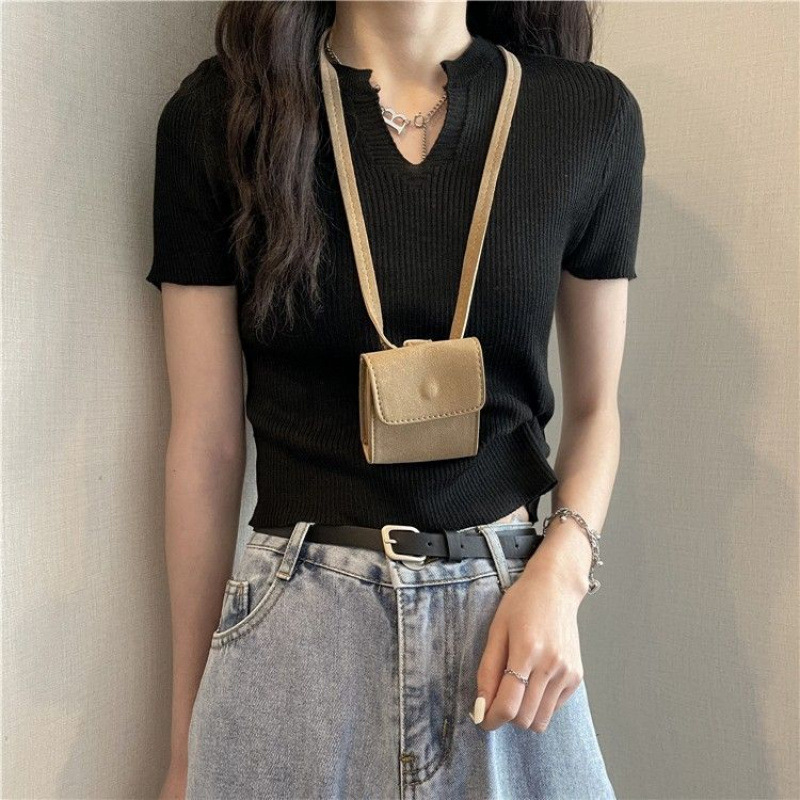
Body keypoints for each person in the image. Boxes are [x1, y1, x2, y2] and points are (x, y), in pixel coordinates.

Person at [146, 2, 645, 798]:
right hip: (297, 633)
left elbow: (597, 412)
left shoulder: (587, 115)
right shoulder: (224, 114)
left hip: (507, 633)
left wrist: (560, 575)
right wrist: (184, 749)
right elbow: (205, 446)